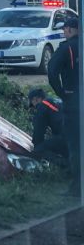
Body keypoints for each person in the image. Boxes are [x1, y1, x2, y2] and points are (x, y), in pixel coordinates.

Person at [48, 16, 80, 194]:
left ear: (69, 29)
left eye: (64, 29)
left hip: (74, 103)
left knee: (75, 144)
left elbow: (52, 71)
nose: (63, 32)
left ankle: (77, 186)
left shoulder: (66, 48)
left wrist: (62, 94)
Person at [27, 88, 67, 162]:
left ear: (35, 99)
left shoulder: (43, 105)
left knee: (38, 151)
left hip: (65, 137)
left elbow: (38, 131)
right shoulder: (57, 101)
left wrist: (37, 146)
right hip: (76, 136)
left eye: (32, 104)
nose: (34, 107)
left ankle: (65, 166)